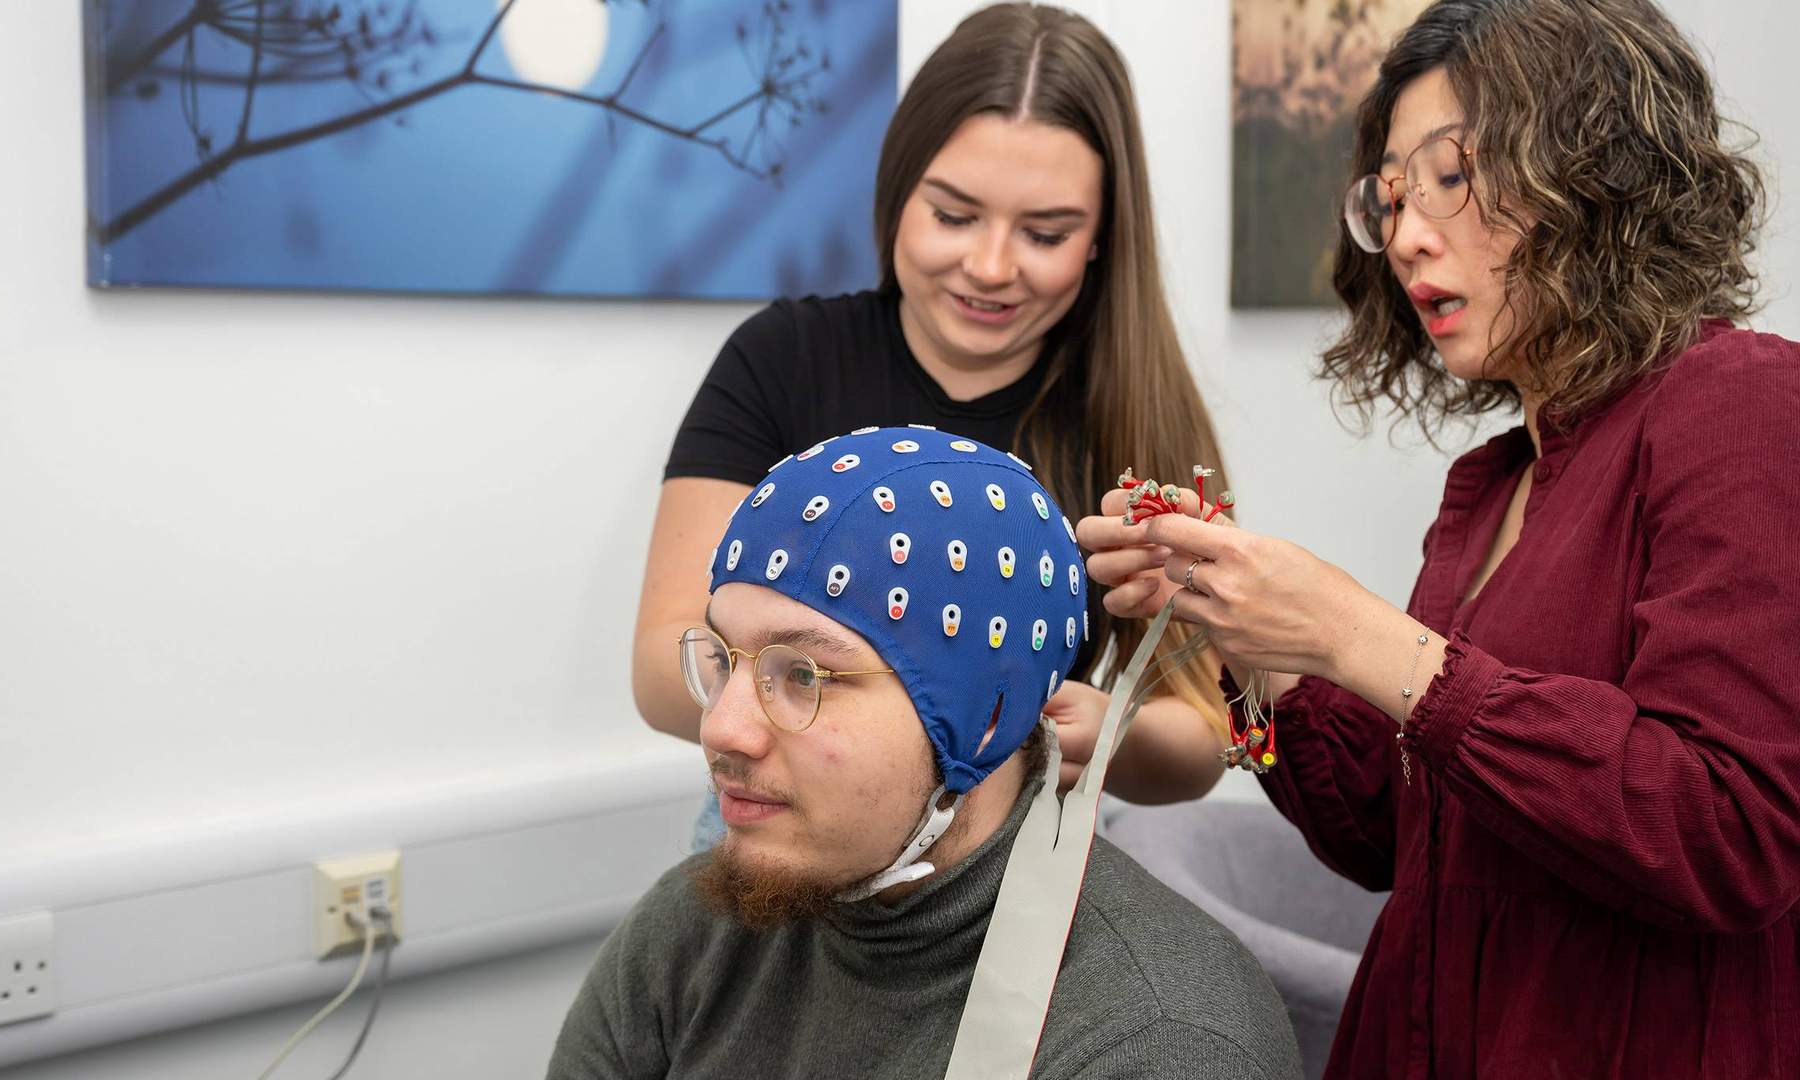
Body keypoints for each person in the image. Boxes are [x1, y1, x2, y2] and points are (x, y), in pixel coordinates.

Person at [1077, 0, 1800, 1076]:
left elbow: (1727, 832)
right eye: (1394, 197)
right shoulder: (1497, 482)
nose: (1410, 233)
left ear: (1594, 163)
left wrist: (1362, 636)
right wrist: (1255, 642)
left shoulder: (1740, 400)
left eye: (1451, 176)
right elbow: (1392, 840)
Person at [631, 4, 1230, 835]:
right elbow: (664, 667)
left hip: (1014, 865)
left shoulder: (1133, 408)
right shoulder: (782, 359)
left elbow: (1206, 727)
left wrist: (1110, 732)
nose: (989, 267)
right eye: (953, 216)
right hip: (782, 833)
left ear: (1100, 239)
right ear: (898, 192)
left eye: (1046, 233)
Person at [551, 428, 1301, 1080]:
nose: (721, 729)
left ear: (983, 719)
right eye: (724, 657)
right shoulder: (691, 933)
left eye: (803, 675)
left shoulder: (1159, 1038)